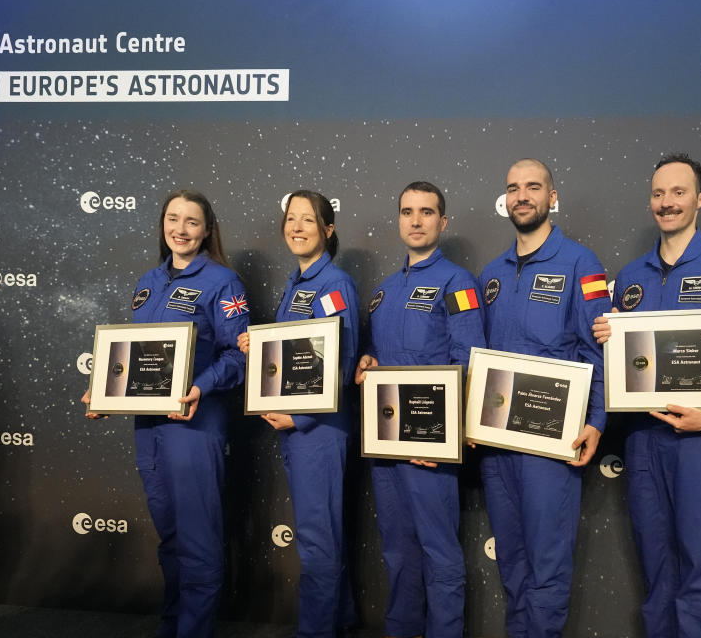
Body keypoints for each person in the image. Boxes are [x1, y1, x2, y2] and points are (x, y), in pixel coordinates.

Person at [593, 154, 701, 637]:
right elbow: (620, 365)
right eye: (659, 194)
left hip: (698, 440)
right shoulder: (629, 279)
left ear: (700, 199)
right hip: (643, 440)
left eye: (678, 192)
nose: (667, 203)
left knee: (699, 562)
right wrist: (608, 338)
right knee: (656, 562)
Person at [83, 189, 250, 638]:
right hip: (149, 427)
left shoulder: (222, 282)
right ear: (162, 224)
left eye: (192, 222)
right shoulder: (147, 282)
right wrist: (105, 391)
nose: (180, 229)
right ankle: (172, 625)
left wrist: (201, 386)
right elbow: (135, 358)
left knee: (197, 540)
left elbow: (241, 356)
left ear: (207, 230)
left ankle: (194, 631)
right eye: (173, 219)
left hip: (193, 424)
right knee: (171, 537)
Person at [477, 158, 610, 637]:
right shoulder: (490, 274)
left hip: (552, 442)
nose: (522, 195)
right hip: (496, 444)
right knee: (512, 565)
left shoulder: (581, 263)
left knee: (547, 566)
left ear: (552, 197)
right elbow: (478, 357)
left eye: (533, 187)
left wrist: (596, 419)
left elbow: (596, 347)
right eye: (513, 188)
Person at [354, 181, 485, 638]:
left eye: (426, 212)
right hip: (387, 442)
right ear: (398, 220)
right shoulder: (384, 291)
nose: (416, 220)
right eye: (407, 211)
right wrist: (367, 359)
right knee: (398, 552)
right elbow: (375, 352)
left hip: (430, 444)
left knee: (439, 554)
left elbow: (468, 359)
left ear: (442, 222)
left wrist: (443, 435)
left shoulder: (457, 282)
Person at [236, 190, 359, 638]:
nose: (297, 227)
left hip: (318, 429)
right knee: (323, 533)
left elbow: (341, 364)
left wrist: (300, 418)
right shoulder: (297, 283)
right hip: (299, 429)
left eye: (309, 220)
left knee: (316, 539)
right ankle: (339, 621)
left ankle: (316, 631)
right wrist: (256, 348)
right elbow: (296, 358)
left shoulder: (334, 284)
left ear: (328, 230)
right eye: (292, 218)